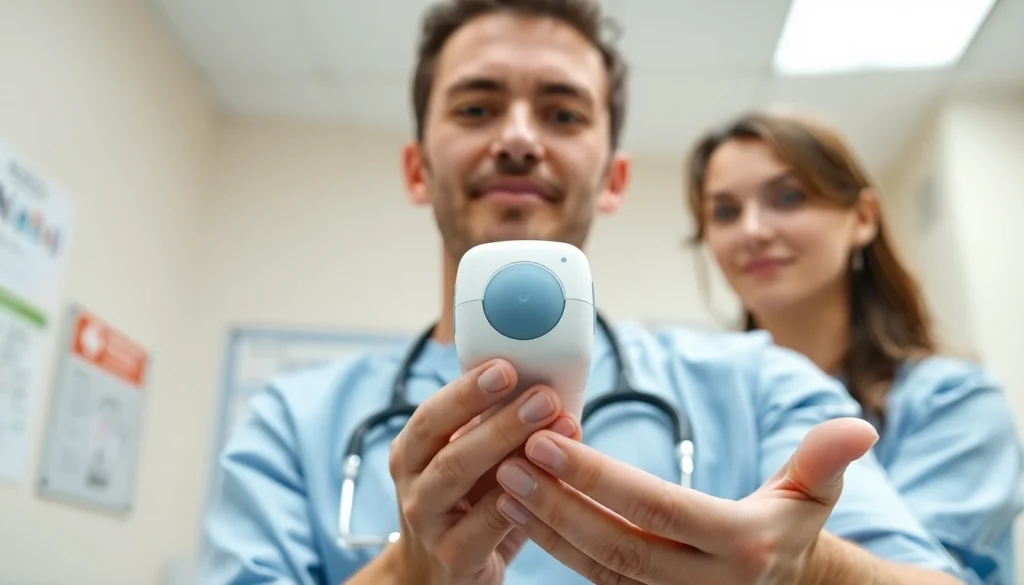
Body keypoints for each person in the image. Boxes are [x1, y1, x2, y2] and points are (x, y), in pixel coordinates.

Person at [198, 1, 972, 584]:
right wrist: (405, 574)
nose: (519, 137)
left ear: (613, 180)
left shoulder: (755, 382)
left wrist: (812, 569)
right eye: (476, 107)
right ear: (416, 169)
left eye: (563, 113)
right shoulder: (293, 423)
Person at [681, 110, 1024, 585]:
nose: (752, 231)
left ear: (862, 218)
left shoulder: (953, 400)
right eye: (725, 212)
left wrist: (812, 563)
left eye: (788, 198)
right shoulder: (700, 404)